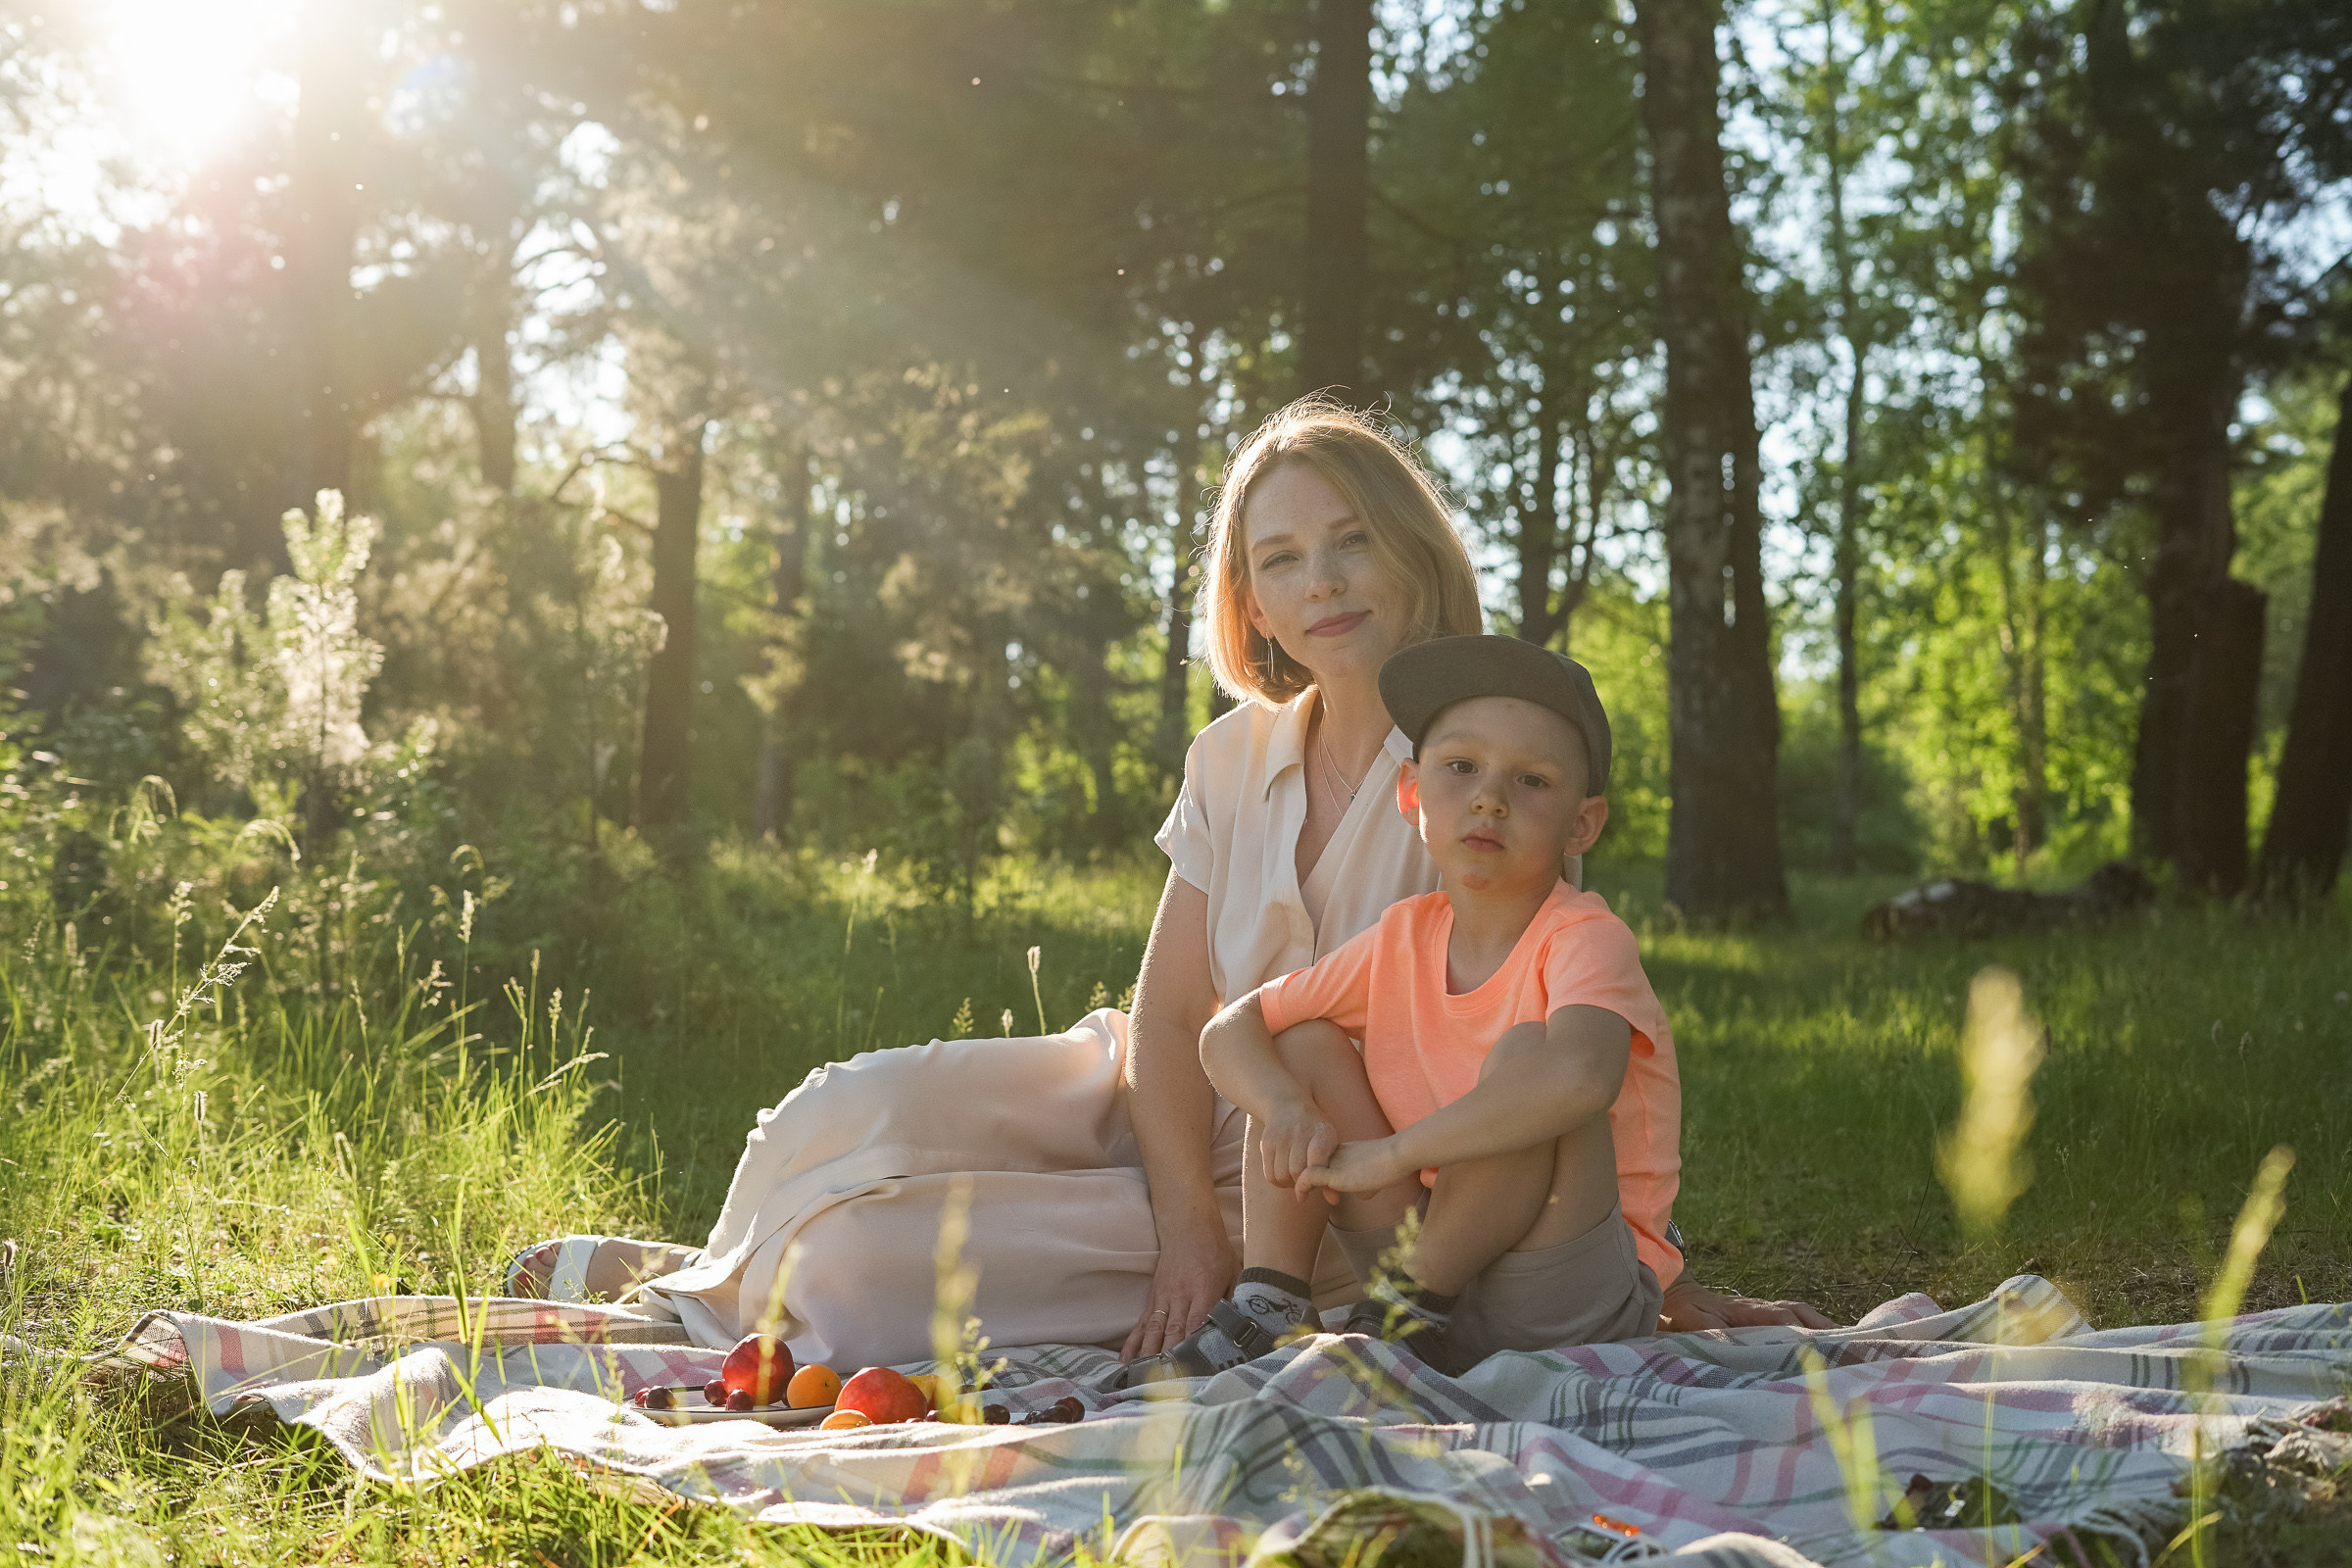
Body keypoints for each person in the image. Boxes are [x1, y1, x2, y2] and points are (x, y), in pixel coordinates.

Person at [506, 398, 1832, 1363]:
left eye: (1351, 542)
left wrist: (1656, 1279)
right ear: (1250, 600)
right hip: (1166, 1089)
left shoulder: (1491, 770)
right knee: (841, 1105)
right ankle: (697, 1280)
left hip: (1324, 1185)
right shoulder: (1230, 754)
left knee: (867, 1266)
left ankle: (703, 1305)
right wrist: (1185, 1219)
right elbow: (1173, 1006)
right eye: (1280, 558)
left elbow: (1567, 1076)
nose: (1321, 583)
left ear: (1415, 552)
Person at [1126, 635, 1671, 1384]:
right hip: (1422, 1279)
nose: (1489, 798)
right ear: (1412, 793)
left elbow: (1580, 1079)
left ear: (1582, 825)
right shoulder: (1402, 938)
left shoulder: (1585, 938)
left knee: (1528, 1058)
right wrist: (1283, 1106)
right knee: (1304, 1042)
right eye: (1461, 767)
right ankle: (1272, 1306)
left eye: (1532, 780)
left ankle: (1401, 1319)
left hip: (1562, 1288)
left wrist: (1392, 1156)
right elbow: (1231, 1027)